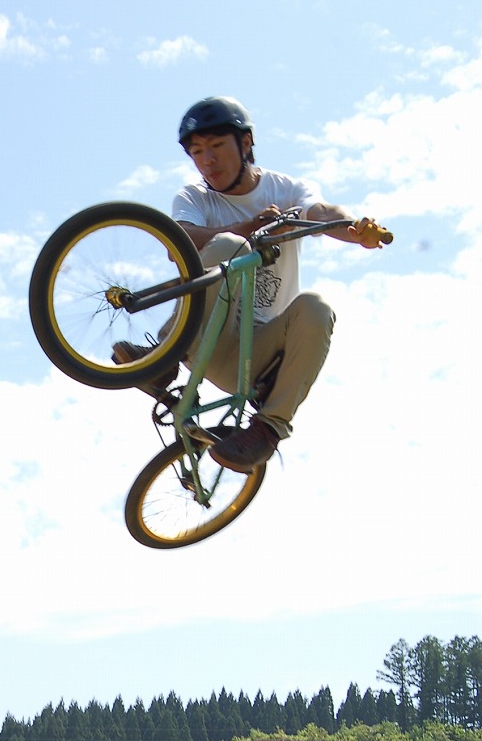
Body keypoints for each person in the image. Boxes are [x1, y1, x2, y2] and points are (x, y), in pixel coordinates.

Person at [115, 96, 389, 472]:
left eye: (216, 146)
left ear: (245, 144)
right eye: (197, 152)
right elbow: (179, 241)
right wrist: (245, 228)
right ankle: (164, 360)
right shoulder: (195, 198)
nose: (207, 160)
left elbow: (323, 212)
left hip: (253, 357)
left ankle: (268, 429)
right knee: (228, 245)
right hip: (203, 335)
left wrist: (355, 228)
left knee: (317, 307)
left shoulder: (284, 189)